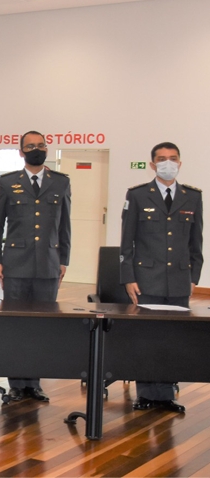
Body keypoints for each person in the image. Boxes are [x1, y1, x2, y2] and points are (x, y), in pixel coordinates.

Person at [0, 130, 71, 403]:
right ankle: (16, 383)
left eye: (41, 145)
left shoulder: (60, 182)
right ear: (21, 152)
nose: (37, 149)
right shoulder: (7, 182)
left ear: (47, 149)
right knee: (17, 326)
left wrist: (64, 260)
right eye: (30, 146)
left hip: (48, 265)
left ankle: (33, 384)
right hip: (16, 264)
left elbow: (65, 225)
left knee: (41, 328)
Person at [121, 142, 202, 413]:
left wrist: (194, 276)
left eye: (173, 158)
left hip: (179, 278)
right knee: (147, 337)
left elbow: (196, 242)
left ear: (180, 162)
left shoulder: (192, 196)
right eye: (162, 159)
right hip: (146, 278)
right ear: (153, 165)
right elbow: (126, 242)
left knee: (173, 338)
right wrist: (128, 276)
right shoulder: (138, 195)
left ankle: (165, 394)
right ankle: (145, 394)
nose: (168, 163)